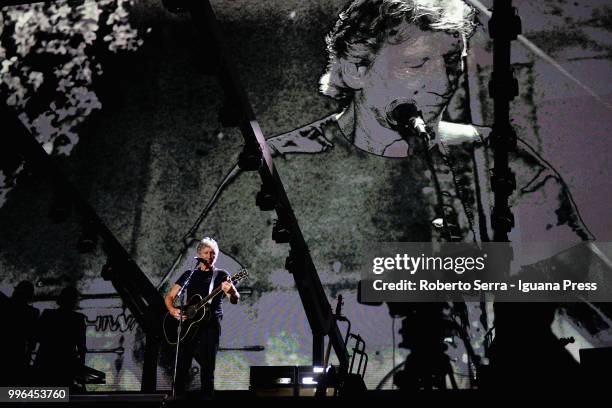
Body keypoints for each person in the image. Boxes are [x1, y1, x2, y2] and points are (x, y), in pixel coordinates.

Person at [175, 0, 600, 389]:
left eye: (452, 62)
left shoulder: (502, 161)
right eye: (417, 65)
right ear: (357, 68)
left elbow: (582, 284)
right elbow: (182, 300)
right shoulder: (278, 169)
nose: (441, 83)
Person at [164, 237, 239, 398]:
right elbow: (170, 296)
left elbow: (235, 299)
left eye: (213, 254)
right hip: (188, 327)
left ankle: (207, 401)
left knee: (207, 369)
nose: (210, 256)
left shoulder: (221, 275)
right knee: (181, 367)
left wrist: (232, 291)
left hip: (209, 326)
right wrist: (172, 310)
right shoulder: (189, 275)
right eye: (207, 253)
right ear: (199, 255)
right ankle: (177, 399)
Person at [33, 286, 87, 389]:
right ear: (74, 301)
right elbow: (81, 345)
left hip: (45, 359)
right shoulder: (78, 319)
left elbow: (36, 336)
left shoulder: (48, 314)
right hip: (66, 363)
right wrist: (81, 364)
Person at [0, 280, 40, 386]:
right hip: (19, 350)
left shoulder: (5, 305)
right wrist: (29, 353)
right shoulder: (33, 312)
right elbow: (33, 338)